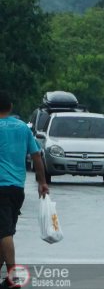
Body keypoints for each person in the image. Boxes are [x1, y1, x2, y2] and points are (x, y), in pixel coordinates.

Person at [0, 91, 49, 289]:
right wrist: (42, 182)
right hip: (17, 189)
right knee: (5, 232)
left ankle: (13, 278)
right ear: (10, 107)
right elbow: (36, 156)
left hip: (0, 188)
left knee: (5, 233)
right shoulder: (22, 128)